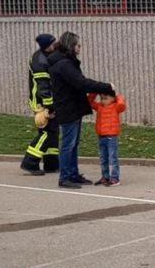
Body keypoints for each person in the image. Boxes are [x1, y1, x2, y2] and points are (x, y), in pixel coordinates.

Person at [46, 32, 115, 189]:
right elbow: (81, 83)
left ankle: (73, 174)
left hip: (73, 107)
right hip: (68, 108)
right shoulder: (64, 64)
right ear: (71, 46)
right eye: (78, 45)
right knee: (68, 144)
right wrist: (106, 87)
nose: (80, 47)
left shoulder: (66, 62)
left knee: (73, 144)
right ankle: (65, 177)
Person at [21, 34, 58, 176]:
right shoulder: (40, 61)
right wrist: (49, 108)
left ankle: (51, 163)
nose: (55, 45)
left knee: (53, 132)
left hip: (46, 101)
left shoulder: (45, 56)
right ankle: (30, 162)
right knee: (47, 133)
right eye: (52, 43)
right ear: (47, 46)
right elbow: (44, 88)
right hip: (41, 103)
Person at [88, 92, 126, 186]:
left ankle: (115, 178)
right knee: (103, 158)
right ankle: (105, 177)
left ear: (113, 99)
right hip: (101, 135)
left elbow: (122, 104)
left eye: (105, 98)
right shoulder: (99, 107)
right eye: (101, 99)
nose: (103, 101)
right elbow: (89, 102)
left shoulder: (116, 107)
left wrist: (116, 96)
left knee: (113, 158)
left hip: (111, 136)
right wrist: (95, 92)